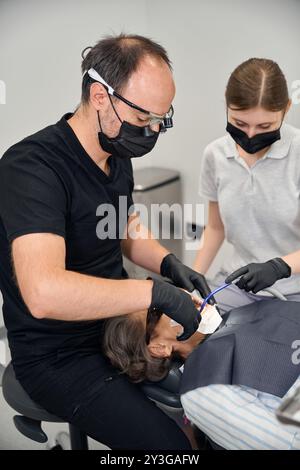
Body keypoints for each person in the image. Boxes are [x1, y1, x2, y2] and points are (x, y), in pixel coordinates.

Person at [0, 34, 214, 450]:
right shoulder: (31, 169)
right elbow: (44, 293)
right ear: (100, 96)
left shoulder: (116, 156)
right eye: (144, 120)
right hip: (58, 355)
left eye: (161, 119)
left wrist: (170, 264)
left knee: (204, 406)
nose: (152, 131)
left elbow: (122, 224)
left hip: (117, 324)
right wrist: (155, 293)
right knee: (170, 450)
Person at [102, 298, 300, 450]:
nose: (178, 297)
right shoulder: (205, 393)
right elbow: (288, 443)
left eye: (165, 290)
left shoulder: (243, 315)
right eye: (159, 308)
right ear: (159, 348)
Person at [193, 58, 300, 313]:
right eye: (240, 124)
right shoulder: (215, 155)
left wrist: (278, 267)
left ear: (286, 109)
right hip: (237, 284)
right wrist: (191, 279)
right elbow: (216, 228)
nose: (250, 135)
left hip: (294, 288)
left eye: (264, 126)